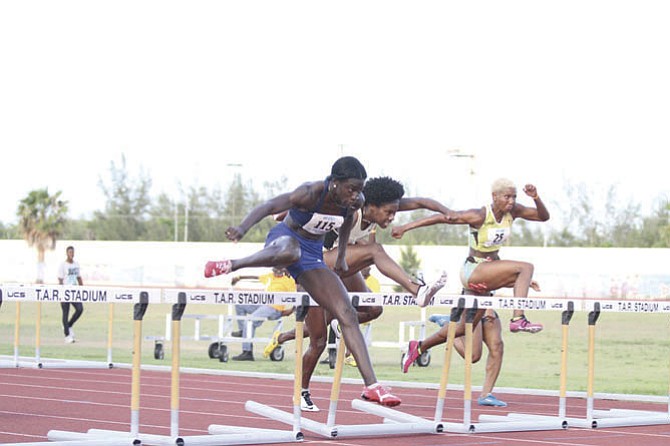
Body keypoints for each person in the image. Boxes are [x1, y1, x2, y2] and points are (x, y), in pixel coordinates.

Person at [204, 156, 401, 407]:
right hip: (284, 240)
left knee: (347, 313)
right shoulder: (310, 193)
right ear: (334, 183)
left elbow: (345, 226)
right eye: (351, 189)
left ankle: (373, 386)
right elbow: (268, 205)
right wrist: (242, 229)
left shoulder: (354, 201)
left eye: (359, 190)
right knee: (291, 251)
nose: (355, 196)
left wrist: (341, 256)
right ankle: (233, 264)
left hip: (312, 258)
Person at [263, 176, 449, 410]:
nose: (392, 218)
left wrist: (447, 212)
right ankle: (301, 391)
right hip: (317, 265)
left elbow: (420, 202)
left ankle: (341, 325)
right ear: (371, 206)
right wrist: (283, 213)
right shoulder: (352, 208)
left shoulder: (375, 216)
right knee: (318, 341)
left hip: (339, 267)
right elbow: (317, 201)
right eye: (389, 213)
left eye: (394, 213)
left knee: (373, 308)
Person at [393, 178, 549, 333]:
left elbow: (543, 217)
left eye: (514, 197)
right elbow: (444, 218)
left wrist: (535, 197)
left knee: (465, 331)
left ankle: (422, 345)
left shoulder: (514, 211)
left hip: (489, 271)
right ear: (494, 196)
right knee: (526, 267)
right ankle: (518, 319)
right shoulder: (479, 215)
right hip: (474, 269)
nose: (511, 201)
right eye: (507, 197)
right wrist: (405, 227)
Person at [427, 302, 507, 407]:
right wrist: (488, 307)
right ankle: (449, 326)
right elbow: (479, 286)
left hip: (486, 305)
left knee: (497, 347)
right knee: (473, 356)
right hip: (473, 306)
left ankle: (486, 395)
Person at [229, 267, 296, 361]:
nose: (277, 273)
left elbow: (298, 294)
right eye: (275, 270)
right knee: (239, 305)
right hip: (264, 304)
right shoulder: (269, 276)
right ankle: (242, 331)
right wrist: (240, 277)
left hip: (274, 308)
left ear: (284, 271)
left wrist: (291, 310)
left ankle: (247, 352)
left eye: (279, 271)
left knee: (249, 321)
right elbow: (255, 278)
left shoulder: (288, 281)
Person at [57, 245, 84, 344]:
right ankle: (67, 335)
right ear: (66, 253)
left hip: (75, 291)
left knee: (80, 309)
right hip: (65, 291)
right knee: (65, 312)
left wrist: (82, 289)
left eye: (72, 252)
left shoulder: (76, 264)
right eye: (69, 252)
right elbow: (60, 279)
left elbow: (79, 278)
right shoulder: (63, 265)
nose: (71, 254)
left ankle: (69, 325)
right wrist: (61, 293)